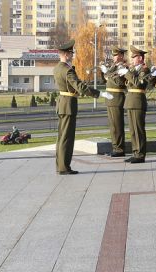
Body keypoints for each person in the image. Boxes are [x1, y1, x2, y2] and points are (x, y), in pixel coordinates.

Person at [53, 39, 107, 174]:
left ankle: (60, 165)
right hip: (68, 105)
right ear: (66, 54)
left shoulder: (57, 68)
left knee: (61, 137)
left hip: (61, 103)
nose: (72, 55)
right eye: (71, 53)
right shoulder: (68, 70)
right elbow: (80, 87)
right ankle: (64, 167)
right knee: (67, 138)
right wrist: (98, 93)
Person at [121, 45, 150, 164]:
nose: (132, 59)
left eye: (135, 57)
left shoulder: (144, 70)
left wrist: (127, 73)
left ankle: (140, 154)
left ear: (141, 58)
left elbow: (138, 83)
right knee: (132, 130)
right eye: (132, 57)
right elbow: (127, 83)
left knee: (138, 129)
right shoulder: (133, 70)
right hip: (130, 101)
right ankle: (135, 152)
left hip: (138, 101)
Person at [100, 47, 128, 157]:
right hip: (110, 99)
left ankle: (119, 149)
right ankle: (115, 147)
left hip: (117, 98)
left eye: (116, 55)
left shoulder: (122, 67)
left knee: (117, 125)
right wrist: (103, 72)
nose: (114, 57)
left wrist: (107, 73)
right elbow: (104, 81)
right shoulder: (113, 67)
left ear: (121, 56)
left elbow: (119, 82)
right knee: (113, 126)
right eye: (114, 55)